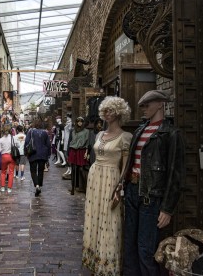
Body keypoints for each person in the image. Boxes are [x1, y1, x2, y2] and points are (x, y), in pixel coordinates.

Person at [122, 89, 185, 275]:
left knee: (146, 248)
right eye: (142, 105)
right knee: (129, 244)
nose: (143, 108)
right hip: (133, 191)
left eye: (147, 105)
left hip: (151, 197)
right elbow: (131, 163)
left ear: (160, 104)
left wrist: (167, 208)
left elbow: (176, 173)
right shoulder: (140, 130)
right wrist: (122, 187)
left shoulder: (171, 133)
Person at [82, 96, 132, 275]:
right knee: (94, 216)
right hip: (95, 177)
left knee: (110, 218)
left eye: (111, 110)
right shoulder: (99, 134)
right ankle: (95, 259)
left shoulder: (126, 137)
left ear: (119, 112)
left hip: (111, 177)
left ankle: (108, 263)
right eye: (105, 110)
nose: (107, 113)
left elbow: (125, 165)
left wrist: (120, 186)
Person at [24, 119, 51, 197]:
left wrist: (26, 152)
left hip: (33, 153)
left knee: (33, 171)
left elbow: (26, 142)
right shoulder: (45, 133)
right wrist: (48, 155)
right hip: (42, 154)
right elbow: (48, 145)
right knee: (40, 171)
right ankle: (39, 185)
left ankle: (37, 186)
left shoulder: (30, 131)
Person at [67, 116, 89, 195]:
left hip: (81, 151)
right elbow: (70, 141)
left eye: (81, 121)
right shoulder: (73, 131)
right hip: (73, 150)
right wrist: (68, 152)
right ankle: (73, 187)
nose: (79, 123)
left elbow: (87, 143)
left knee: (81, 169)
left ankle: (85, 187)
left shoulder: (86, 131)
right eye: (78, 121)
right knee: (73, 169)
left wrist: (86, 153)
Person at [0, 124, 19, 193]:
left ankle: (3, 187)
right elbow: (17, 145)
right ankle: (9, 188)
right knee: (11, 172)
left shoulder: (1, 140)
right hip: (12, 156)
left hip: (4, 156)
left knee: (3, 172)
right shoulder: (14, 138)